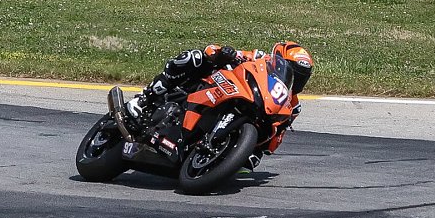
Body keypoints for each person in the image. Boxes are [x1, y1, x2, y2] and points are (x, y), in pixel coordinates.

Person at [123, 41, 314, 168]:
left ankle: (209, 150)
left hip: (247, 111)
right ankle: (144, 99)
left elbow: (277, 137)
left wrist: (258, 150)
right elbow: (217, 50)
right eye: (293, 71)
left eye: (301, 77)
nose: (296, 79)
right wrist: (224, 53)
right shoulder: (260, 59)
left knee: (249, 162)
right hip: (218, 86)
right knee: (194, 59)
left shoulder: (292, 106)